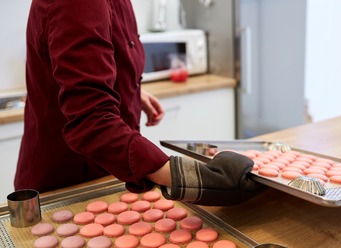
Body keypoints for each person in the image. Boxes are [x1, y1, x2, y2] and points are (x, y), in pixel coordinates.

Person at [15, 0, 262, 206]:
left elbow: (95, 64)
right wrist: (191, 178)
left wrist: (131, 90)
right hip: (67, 182)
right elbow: (91, 121)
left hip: (105, 172)